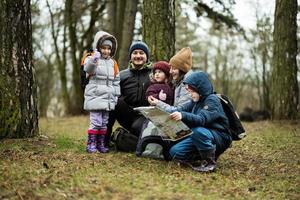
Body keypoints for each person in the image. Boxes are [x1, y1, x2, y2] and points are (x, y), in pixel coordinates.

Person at [167, 71, 232, 172]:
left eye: (192, 91)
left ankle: (210, 163)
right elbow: (179, 109)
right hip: (201, 135)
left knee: (197, 131)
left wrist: (182, 115)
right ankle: (201, 157)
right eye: (189, 91)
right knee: (175, 151)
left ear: (199, 88)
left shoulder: (212, 100)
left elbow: (201, 119)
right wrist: (160, 112)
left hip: (219, 136)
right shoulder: (195, 100)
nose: (190, 94)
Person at [136, 47, 193, 159]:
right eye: (170, 68)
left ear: (182, 69)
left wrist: (158, 103)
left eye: (174, 68)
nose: (171, 71)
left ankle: (158, 149)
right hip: (173, 116)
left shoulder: (186, 85)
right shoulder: (177, 83)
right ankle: (147, 148)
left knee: (174, 152)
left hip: (184, 122)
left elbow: (180, 110)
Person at [106, 41, 152, 147]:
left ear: (147, 56)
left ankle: (130, 139)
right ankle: (105, 140)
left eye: (141, 53)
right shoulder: (122, 75)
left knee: (136, 127)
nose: (138, 56)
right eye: (135, 53)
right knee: (113, 101)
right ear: (130, 56)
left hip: (146, 116)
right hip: (128, 115)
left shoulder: (154, 74)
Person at [83, 31, 120, 153]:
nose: (106, 51)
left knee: (104, 122)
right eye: (103, 48)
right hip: (95, 96)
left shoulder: (113, 63)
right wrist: (94, 60)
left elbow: (116, 81)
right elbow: (87, 70)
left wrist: (115, 96)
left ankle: (100, 143)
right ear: (98, 47)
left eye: (109, 49)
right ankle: (91, 144)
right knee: (96, 121)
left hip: (108, 98)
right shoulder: (91, 59)